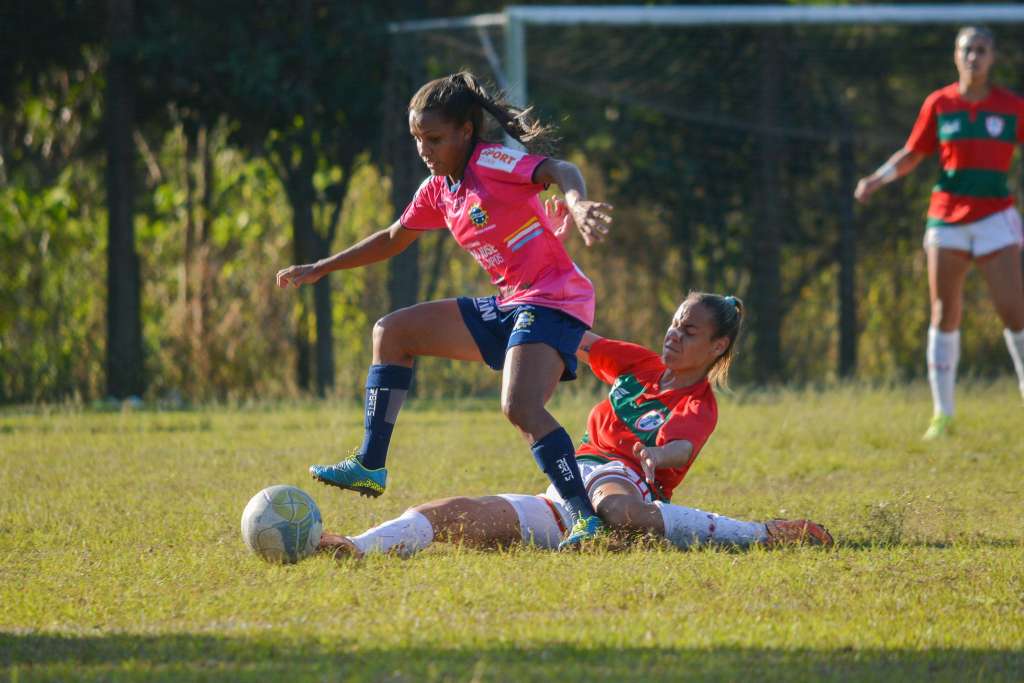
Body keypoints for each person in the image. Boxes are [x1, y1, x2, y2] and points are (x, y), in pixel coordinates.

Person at [275, 71, 614, 546]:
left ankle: (586, 520)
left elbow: (559, 169)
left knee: (519, 406)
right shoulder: (439, 190)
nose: (424, 150)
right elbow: (395, 238)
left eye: (433, 138)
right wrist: (322, 267)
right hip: (512, 303)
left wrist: (575, 203)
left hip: (555, 297)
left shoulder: (491, 162)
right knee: (391, 333)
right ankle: (370, 465)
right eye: (417, 139)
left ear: (465, 132)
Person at [318, 292, 833, 559]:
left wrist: (658, 456)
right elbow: (578, 339)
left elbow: (679, 447)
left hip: (623, 482)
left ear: (718, 347)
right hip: (566, 492)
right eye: (674, 323)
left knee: (616, 508)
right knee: (449, 513)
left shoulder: (700, 401)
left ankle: (762, 535)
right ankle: (359, 547)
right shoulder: (640, 364)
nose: (673, 334)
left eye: (689, 329)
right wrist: (531, 306)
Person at [854, 26, 1024, 440]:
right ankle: (942, 415)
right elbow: (914, 153)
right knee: (944, 314)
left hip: (994, 218)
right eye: (967, 50)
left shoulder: (1010, 107)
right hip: (946, 219)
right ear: (956, 56)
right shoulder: (940, 103)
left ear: (992, 58)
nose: (973, 58)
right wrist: (876, 179)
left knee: (1014, 311)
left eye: (981, 50)